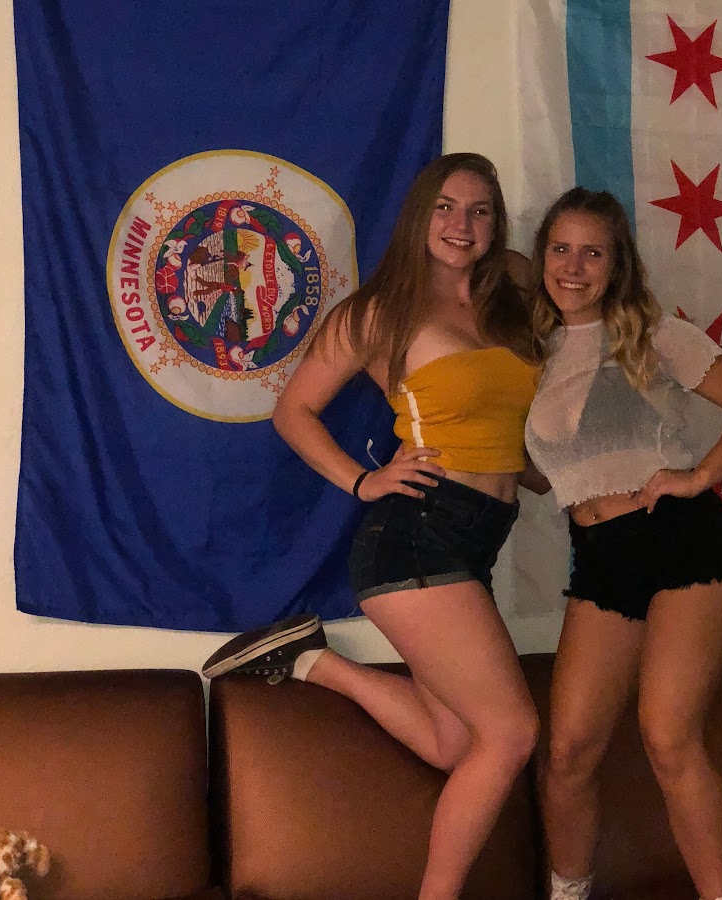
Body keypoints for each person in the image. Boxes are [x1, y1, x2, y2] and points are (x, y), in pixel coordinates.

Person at [203, 153, 545, 900]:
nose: (462, 225)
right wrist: (363, 480)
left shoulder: (512, 295)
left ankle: (314, 663)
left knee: (455, 742)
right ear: (419, 215)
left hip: (479, 538)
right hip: (416, 534)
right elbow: (294, 411)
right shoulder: (380, 312)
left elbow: (515, 417)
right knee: (511, 733)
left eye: (481, 210)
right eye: (445, 207)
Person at [523, 189, 722, 900]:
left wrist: (700, 476)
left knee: (668, 739)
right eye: (560, 249)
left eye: (593, 252)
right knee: (568, 752)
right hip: (600, 558)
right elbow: (550, 476)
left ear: (617, 264)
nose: (573, 266)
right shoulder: (531, 353)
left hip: (681, 546)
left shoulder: (652, 332)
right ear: (541, 256)